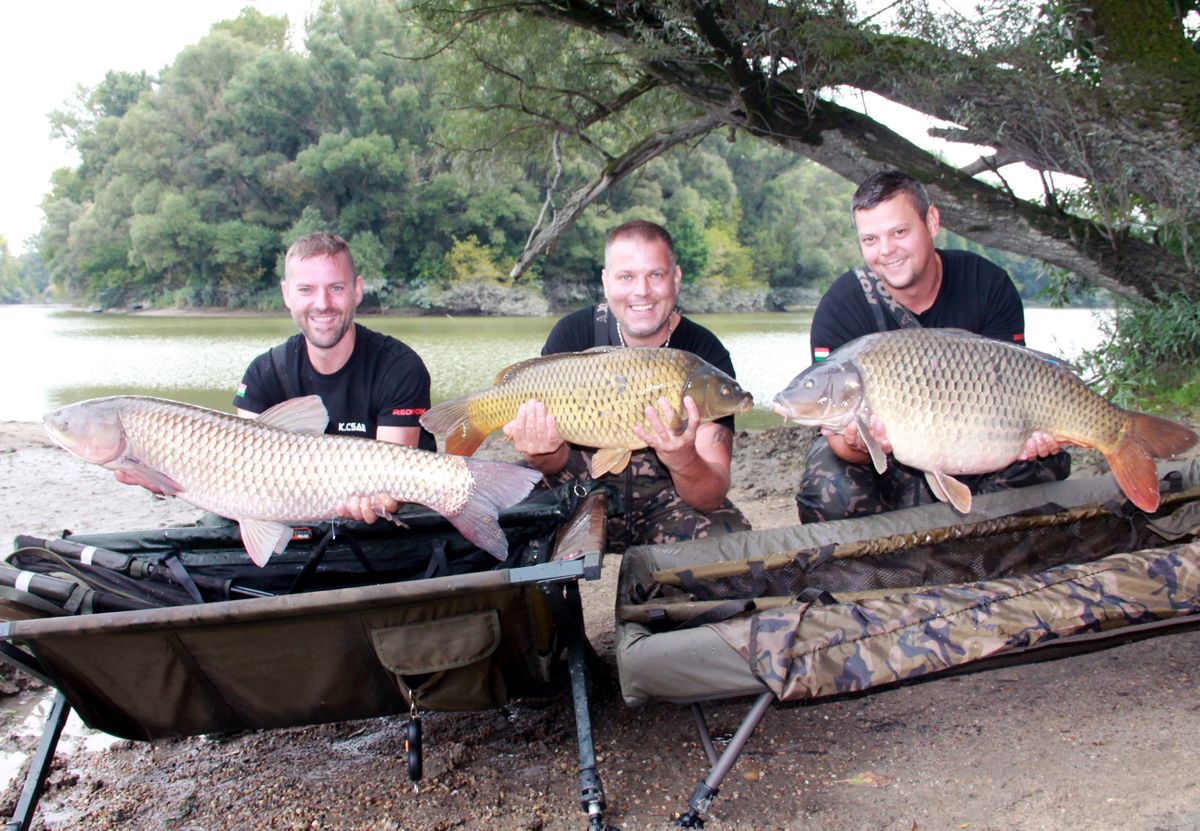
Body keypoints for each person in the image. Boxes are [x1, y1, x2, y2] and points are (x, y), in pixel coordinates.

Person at [795, 170, 1071, 523]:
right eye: (870, 239)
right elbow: (838, 443)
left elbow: (1020, 383)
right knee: (828, 485)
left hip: (980, 439)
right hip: (888, 460)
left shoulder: (987, 284)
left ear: (932, 221)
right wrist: (858, 443)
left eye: (899, 232)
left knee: (1043, 464)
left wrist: (1032, 438)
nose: (886, 251)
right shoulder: (840, 307)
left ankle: (981, 552)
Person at [120, 231, 435, 524]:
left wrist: (380, 501)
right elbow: (240, 478)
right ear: (287, 294)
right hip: (286, 512)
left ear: (357, 290)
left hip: (391, 526)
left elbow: (396, 481)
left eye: (336, 288)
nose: (322, 303)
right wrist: (166, 478)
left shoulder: (399, 367)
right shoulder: (264, 373)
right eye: (306, 290)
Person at [503, 220, 751, 551]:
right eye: (626, 277)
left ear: (675, 279)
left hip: (666, 503)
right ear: (606, 281)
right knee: (498, 530)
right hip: (576, 494)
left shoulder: (703, 355)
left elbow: (710, 495)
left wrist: (683, 459)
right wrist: (540, 452)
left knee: (730, 549)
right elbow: (551, 464)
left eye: (656, 275)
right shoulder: (572, 334)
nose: (641, 291)